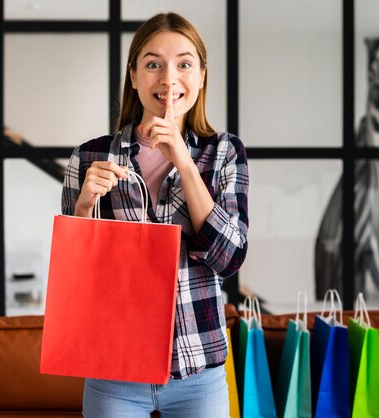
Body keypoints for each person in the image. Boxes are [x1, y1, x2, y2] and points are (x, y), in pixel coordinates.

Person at [61, 12, 248, 417]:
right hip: (113, 371)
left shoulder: (224, 153)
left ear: (200, 76)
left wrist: (184, 161)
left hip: (199, 369)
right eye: (152, 64)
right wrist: (82, 208)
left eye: (183, 64)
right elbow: (74, 275)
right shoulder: (89, 156)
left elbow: (229, 259)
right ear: (133, 76)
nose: (168, 78)